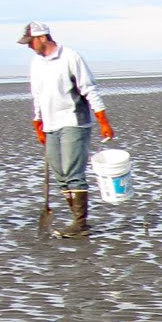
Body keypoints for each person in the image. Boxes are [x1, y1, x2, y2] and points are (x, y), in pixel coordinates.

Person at [18, 22, 116, 238]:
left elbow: (89, 90)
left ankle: (80, 224)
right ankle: (77, 221)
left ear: (42, 37)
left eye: (30, 41)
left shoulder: (70, 57)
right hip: (50, 123)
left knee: (73, 172)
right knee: (60, 174)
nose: (29, 46)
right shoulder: (36, 63)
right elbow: (38, 96)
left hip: (74, 121)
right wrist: (37, 122)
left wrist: (103, 121)